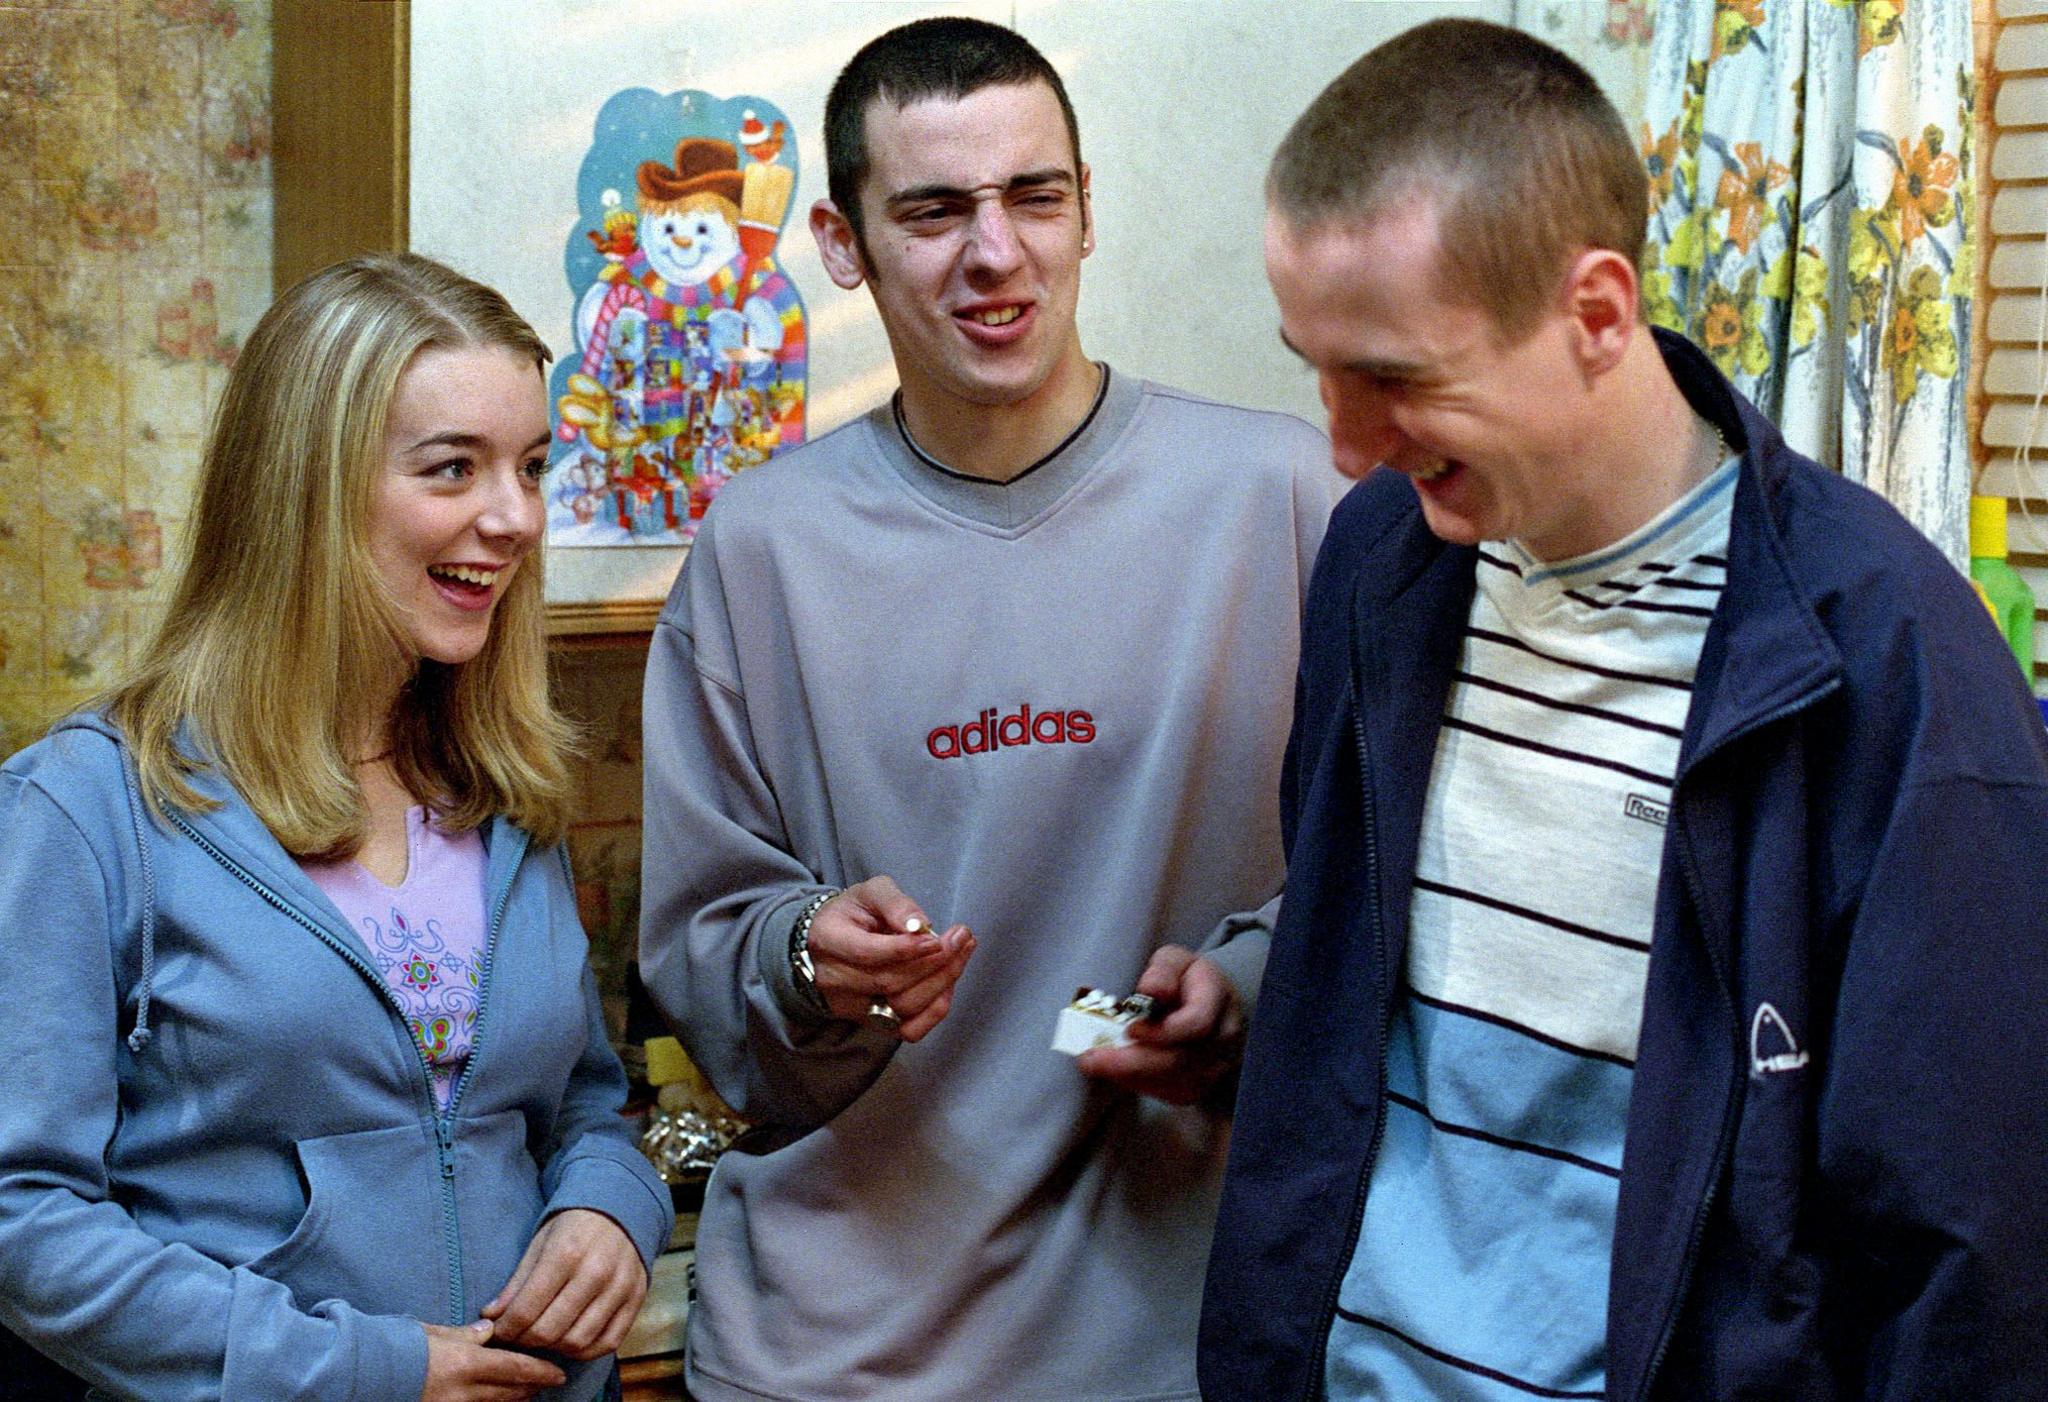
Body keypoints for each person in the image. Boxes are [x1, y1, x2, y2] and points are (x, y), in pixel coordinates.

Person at [1202, 17, 2048, 1401]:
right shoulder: (1382, 559)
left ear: (1598, 313)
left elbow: (1962, 1242)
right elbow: (1344, 1006)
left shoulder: (1889, 662)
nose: (1344, 443)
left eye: (1397, 379)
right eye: (1318, 366)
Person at [636, 16, 1344, 1401]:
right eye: (936, 209)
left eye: (1036, 196)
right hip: (833, 1349)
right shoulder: (763, 549)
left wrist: (1242, 991)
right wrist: (801, 957)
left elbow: (1393, 884)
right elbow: (705, 957)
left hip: (1183, 1332)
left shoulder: (1293, 502)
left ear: (1088, 212)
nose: (996, 252)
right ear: (844, 244)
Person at [0, 253, 673, 1401]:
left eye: (531, 468)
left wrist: (611, 1206)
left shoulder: (499, 789)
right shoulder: (89, 810)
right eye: (452, 468)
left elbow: (584, 1105)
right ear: (306, 488)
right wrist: (360, 1367)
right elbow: (23, 1220)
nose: (512, 519)